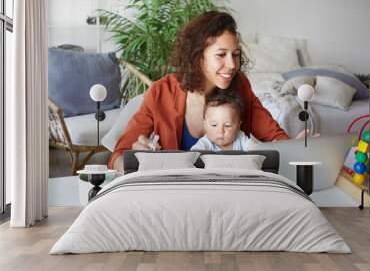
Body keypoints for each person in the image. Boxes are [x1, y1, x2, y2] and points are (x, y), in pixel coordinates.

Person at [109, 11, 292, 172]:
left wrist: (299, 146)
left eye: (235, 55)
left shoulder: (241, 86)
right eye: (221, 55)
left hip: (229, 191)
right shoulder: (160, 92)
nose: (232, 65)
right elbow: (117, 158)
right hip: (174, 194)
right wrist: (136, 160)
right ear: (197, 57)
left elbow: (276, 139)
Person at [190, 89, 258, 151]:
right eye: (214, 125)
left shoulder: (240, 137)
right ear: (205, 125)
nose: (220, 131)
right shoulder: (206, 143)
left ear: (238, 126)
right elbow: (194, 153)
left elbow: (254, 148)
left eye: (227, 125)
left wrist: (254, 149)